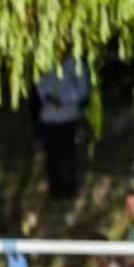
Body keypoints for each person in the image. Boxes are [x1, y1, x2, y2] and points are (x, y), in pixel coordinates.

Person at [35, 59, 89, 203]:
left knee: (68, 154)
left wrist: (64, 100)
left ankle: (69, 189)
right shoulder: (46, 60)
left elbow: (83, 90)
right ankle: (55, 191)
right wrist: (48, 98)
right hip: (48, 117)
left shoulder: (77, 64)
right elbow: (40, 85)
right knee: (52, 156)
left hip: (68, 117)